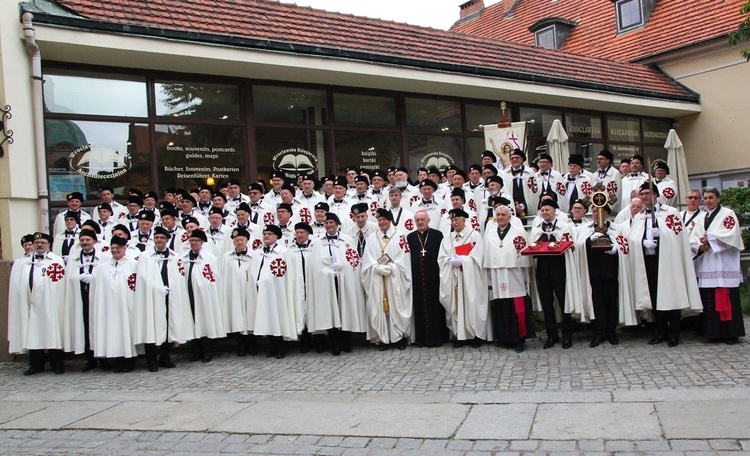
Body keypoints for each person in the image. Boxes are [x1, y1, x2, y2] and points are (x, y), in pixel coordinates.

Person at [628, 182, 702, 347]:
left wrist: (661, 234)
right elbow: (632, 239)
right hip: (648, 260)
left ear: (656, 195)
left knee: (670, 295)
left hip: (667, 261)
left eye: (647, 193)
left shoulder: (670, 212)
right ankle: (660, 331)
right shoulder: (640, 216)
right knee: (655, 297)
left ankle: (674, 332)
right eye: (642, 194)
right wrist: (642, 241)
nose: (645, 197)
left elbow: (677, 236)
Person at [690, 187, 746, 344]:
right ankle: (713, 333)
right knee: (709, 299)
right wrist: (700, 246)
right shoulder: (702, 218)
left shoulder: (727, 215)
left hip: (724, 263)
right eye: (706, 198)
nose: (708, 201)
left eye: (711, 197)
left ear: (718, 199)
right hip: (708, 263)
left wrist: (710, 239)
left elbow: (732, 235)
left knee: (727, 298)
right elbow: (693, 238)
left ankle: (731, 333)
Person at [306, 213, 367, 355]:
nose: (329, 225)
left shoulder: (347, 240)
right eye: (326, 223)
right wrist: (326, 271)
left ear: (337, 224)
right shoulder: (318, 242)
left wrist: (342, 266)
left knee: (345, 309)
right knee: (331, 311)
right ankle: (334, 344)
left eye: (331, 222)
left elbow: (354, 260)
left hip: (344, 280)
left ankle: (345, 342)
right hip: (326, 281)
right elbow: (314, 264)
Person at [135, 226, 195, 371]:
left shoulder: (174, 257)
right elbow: (142, 276)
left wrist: (172, 288)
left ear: (167, 240)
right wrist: (157, 287)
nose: (159, 240)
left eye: (162, 238)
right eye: (156, 238)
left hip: (170, 297)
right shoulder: (146, 256)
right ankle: (152, 359)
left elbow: (179, 276)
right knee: (152, 325)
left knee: (169, 326)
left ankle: (165, 357)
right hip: (152, 297)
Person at [576, 204, 636, 347]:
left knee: (611, 302)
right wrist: (588, 241)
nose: (597, 214)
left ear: (607, 213)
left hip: (611, 271)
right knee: (597, 303)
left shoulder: (617, 229)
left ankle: (611, 332)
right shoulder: (585, 229)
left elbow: (624, 246)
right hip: (593, 271)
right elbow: (578, 246)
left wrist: (616, 249)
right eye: (595, 211)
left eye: (600, 211)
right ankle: (599, 332)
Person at [8, 232, 67, 375]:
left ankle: (57, 363)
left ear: (49, 245)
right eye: (37, 243)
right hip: (29, 303)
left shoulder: (56, 260)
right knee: (32, 333)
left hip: (49, 303)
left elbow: (58, 284)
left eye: (42, 242)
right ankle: (35, 364)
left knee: (52, 330)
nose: (39, 245)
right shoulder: (24, 262)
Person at [529, 199, 580, 349]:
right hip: (543, 270)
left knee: (564, 302)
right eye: (542, 210)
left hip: (560, 268)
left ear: (555, 211)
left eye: (547, 210)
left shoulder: (564, 227)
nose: (545, 213)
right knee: (547, 304)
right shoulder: (536, 228)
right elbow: (532, 247)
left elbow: (570, 246)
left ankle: (567, 335)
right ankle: (551, 336)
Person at [483, 204, 534, 352]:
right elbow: (488, 253)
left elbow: (524, 253)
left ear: (509, 216)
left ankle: (519, 339)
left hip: (514, 274)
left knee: (516, 307)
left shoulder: (519, 231)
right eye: (497, 215)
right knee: (501, 306)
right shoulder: (491, 233)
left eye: (503, 215)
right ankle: (504, 338)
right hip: (498, 274)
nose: (500, 218)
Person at [361, 209, 413, 350]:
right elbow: (368, 258)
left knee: (396, 305)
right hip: (377, 278)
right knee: (379, 306)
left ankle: (398, 337)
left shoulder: (400, 236)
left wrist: (393, 267)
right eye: (379, 220)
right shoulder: (372, 237)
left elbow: (405, 257)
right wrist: (375, 268)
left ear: (390, 221)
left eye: (384, 220)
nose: (382, 223)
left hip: (394, 278)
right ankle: (383, 338)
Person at [438, 208, 490, 348]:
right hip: (454, 278)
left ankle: (475, 335)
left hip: (470, 279)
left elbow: (479, 257)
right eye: (452, 220)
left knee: (471, 304)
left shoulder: (474, 236)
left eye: (456, 220)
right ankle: (459, 335)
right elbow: (441, 258)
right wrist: (449, 261)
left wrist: (465, 261)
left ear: (464, 220)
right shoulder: (447, 238)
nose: (454, 223)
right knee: (457, 306)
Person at [89, 236, 139, 372]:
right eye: (112, 248)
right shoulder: (104, 267)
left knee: (127, 332)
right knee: (114, 333)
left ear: (124, 248)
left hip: (127, 306)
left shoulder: (133, 265)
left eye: (118, 248)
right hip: (110, 307)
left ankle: (130, 361)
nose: (115, 250)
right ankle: (118, 360)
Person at [249, 225, 298, 358]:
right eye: (265, 234)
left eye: (269, 234)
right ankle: (272, 345)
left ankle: (280, 346)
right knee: (266, 317)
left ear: (276, 237)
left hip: (276, 291)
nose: (266, 236)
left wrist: (265, 281)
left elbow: (280, 272)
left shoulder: (282, 252)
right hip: (260, 290)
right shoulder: (258, 252)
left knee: (277, 317)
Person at [181, 229, 225, 362]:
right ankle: (195, 351)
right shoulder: (184, 258)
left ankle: (207, 351)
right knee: (192, 321)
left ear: (202, 242)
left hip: (204, 296)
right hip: (188, 293)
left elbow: (214, 278)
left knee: (205, 321)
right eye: (191, 240)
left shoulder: (210, 259)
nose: (194, 243)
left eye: (196, 241)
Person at [62, 229, 103, 371]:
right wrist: (76, 278)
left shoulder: (102, 257)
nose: (85, 243)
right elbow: (68, 277)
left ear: (94, 241)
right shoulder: (73, 259)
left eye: (88, 240)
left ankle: (103, 359)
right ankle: (89, 359)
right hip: (80, 297)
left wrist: (94, 278)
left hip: (97, 298)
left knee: (98, 327)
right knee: (84, 328)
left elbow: (105, 276)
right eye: (83, 240)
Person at [407, 209, 447, 347]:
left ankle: (437, 338)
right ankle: (421, 339)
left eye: (423, 219)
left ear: (428, 220)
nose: (420, 222)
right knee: (419, 307)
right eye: (417, 220)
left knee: (435, 307)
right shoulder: (410, 237)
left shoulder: (437, 235)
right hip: (417, 278)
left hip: (434, 277)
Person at [219, 227, 257, 357]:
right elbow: (224, 275)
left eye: (241, 240)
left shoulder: (254, 256)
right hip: (233, 292)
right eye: (236, 240)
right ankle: (241, 345)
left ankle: (252, 345)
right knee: (236, 317)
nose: (239, 242)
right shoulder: (227, 257)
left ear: (246, 241)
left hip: (249, 291)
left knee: (250, 316)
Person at [502, 148, 539, 217]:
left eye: (517, 158)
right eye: (512, 158)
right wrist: (514, 206)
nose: (514, 160)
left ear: (522, 159)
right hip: (511, 209)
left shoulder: (530, 173)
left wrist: (523, 205)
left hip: (527, 209)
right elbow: (505, 192)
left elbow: (533, 192)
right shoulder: (505, 174)